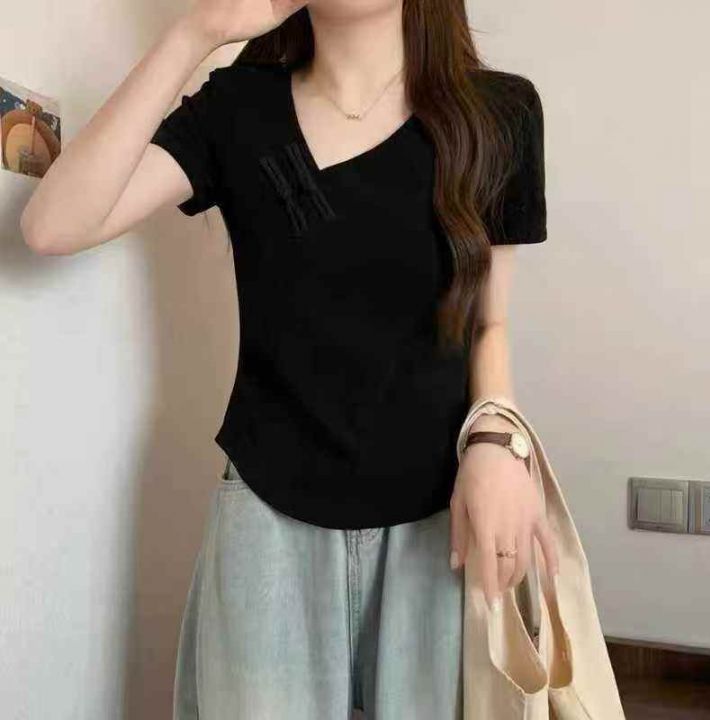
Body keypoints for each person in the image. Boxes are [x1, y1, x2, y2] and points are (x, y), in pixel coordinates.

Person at [21, 0, 559, 717]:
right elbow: (53, 226)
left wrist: (497, 444)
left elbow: (490, 323)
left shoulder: (499, 112)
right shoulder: (238, 109)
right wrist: (197, 33)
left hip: (442, 519)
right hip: (267, 519)